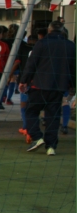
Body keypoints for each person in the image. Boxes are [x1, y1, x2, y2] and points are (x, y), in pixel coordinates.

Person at [20, 20, 77, 155]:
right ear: (62, 31)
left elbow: (31, 63)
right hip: (59, 86)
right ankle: (51, 146)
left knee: (31, 111)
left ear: (49, 30)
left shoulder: (41, 43)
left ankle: (37, 137)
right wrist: (73, 86)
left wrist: (24, 81)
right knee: (53, 116)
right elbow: (73, 68)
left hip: (39, 84)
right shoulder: (70, 46)